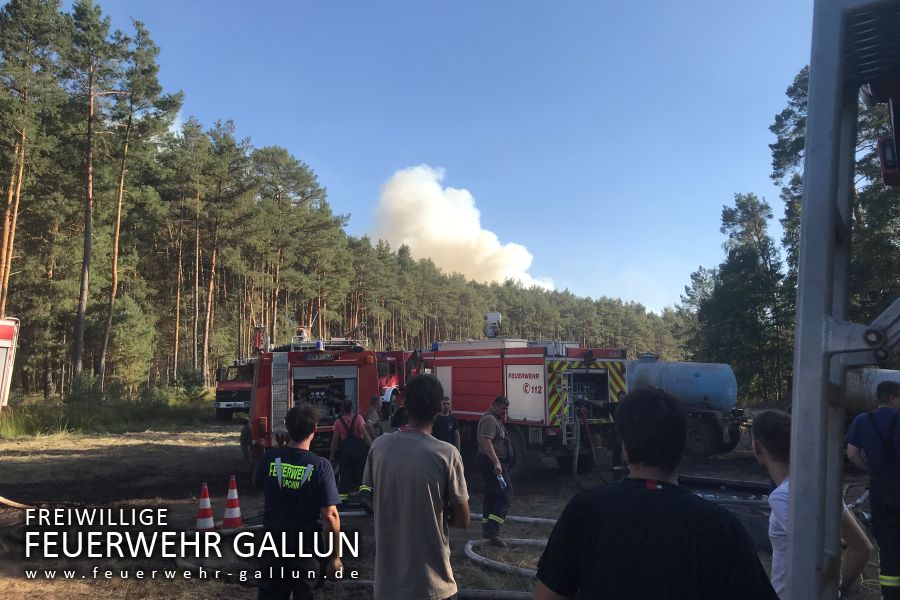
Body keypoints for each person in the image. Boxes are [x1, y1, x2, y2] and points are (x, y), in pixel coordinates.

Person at [534, 387, 778, 600]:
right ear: (682, 443)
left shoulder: (585, 511)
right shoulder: (721, 526)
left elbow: (547, 596)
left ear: (626, 447)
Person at [362, 374, 470, 600]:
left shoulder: (379, 447)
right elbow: (463, 520)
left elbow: (373, 494)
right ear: (439, 408)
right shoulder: (447, 454)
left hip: (387, 587)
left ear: (404, 406)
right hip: (433, 586)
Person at [753, 410, 871, 598]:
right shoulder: (820, 488)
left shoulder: (783, 497)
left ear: (757, 448)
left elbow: (813, 557)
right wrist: (836, 592)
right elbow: (861, 547)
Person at [253, 403, 342, 600]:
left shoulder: (270, 458)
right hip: (306, 552)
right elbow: (330, 515)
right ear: (314, 430)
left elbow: (258, 482)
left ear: (287, 428)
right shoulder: (321, 467)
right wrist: (335, 557)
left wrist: (280, 452)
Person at [847, 380, 900, 598]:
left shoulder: (862, 420)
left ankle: (890, 594)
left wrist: (870, 469)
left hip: (879, 489)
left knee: (888, 546)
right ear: (892, 398)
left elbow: (851, 454)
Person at [477, 395, 513, 547]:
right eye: (503, 408)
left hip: (493, 462)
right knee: (506, 494)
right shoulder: (490, 420)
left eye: (506, 409)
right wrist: (497, 463)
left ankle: (487, 528)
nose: (505, 412)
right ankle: (493, 530)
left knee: (492, 494)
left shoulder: (495, 419)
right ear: (494, 405)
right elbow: (486, 442)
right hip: (492, 463)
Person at [328, 398, 372, 505]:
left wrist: (332, 455)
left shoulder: (338, 422)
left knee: (344, 475)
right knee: (362, 473)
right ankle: (364, 497)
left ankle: (342, 501)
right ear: (352, 408)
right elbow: (365, 434)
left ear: (342, 409)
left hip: (345, 451)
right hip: (359, 451)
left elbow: (334, 440)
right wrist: (372, 447)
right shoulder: (359, 418)